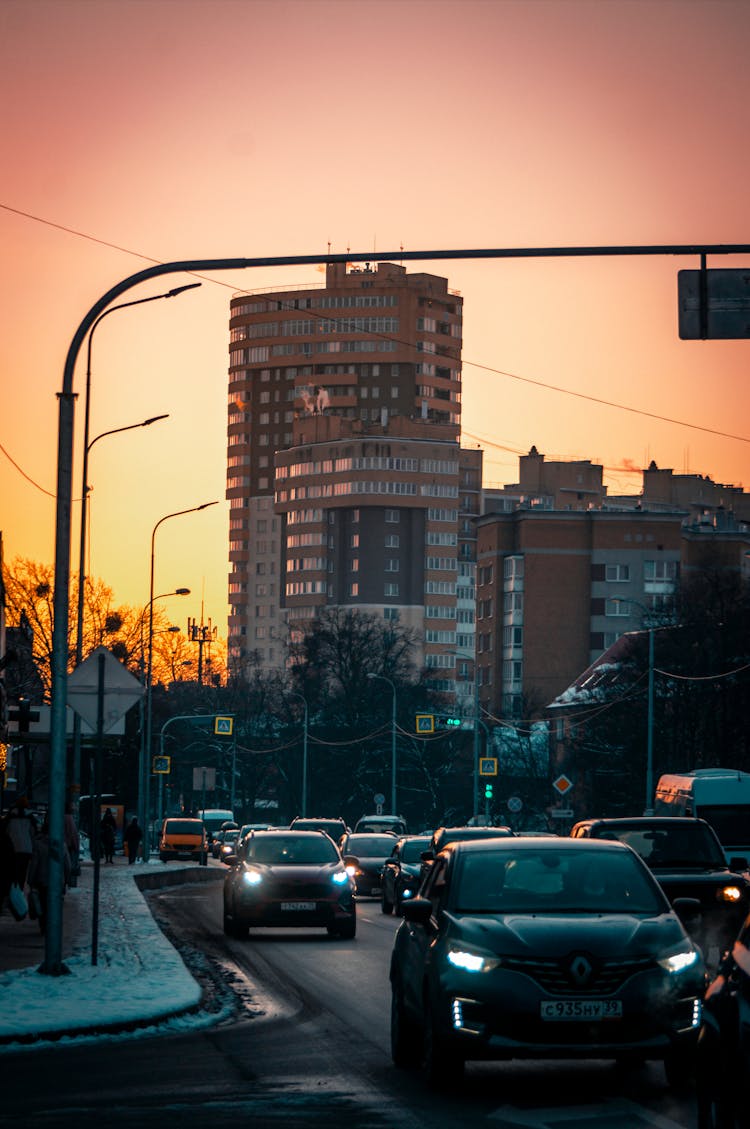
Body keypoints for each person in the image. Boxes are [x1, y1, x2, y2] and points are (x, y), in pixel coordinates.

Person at [3, 796, 36, 890]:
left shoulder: (10, 816)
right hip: (26, 849)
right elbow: (32, 834)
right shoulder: (30, 818)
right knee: (22, 872)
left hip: (12, 849)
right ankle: (19, 890)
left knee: (11, 872)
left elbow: (6, 832)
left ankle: (11, 891)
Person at [27, 816, 51, 934]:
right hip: (55, 881)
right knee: (53, 904)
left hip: (41, 880)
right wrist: (66, 879)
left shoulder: (38, 844)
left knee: (42, 902)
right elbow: (66, 864)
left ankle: (43, 925)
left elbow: (34, 863)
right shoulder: (60, 844)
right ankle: (51, 925)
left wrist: (30, 879)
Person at [64, 801, 80, 887]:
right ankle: (67, 882)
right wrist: (76, 847)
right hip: (68, 846)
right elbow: (74, 834)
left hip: (60, 845)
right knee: (67, 865)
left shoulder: (58, 817)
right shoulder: (69, 818)